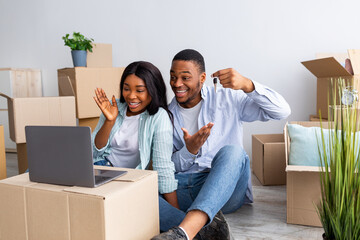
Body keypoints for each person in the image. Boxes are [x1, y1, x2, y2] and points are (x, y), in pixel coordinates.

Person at [152, 49, 291, 240]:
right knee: (141, 195)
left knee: (233, 152)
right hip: (185, 188)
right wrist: (189, 151)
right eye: (173, 77)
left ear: (202, 78)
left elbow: (281, 111)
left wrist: (247, 85)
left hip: (226, 191)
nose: (177, 84)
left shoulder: (228, 99)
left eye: (185, 77)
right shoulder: (164, 115)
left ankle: (186, 230)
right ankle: (201, 231)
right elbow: (167, 166)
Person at [92, 61, 178, 208]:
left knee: (157, 210)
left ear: (153, 90)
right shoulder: (114, 107)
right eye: (126, 89)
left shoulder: (159, 117)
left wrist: (174, 208)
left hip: (128, 181)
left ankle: (187, 227)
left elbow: (163, 167)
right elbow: (94, 151)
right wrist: (109, 121)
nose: (131, 96)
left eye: (139, 90)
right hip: (99, 171)